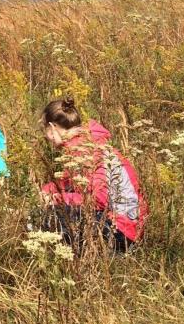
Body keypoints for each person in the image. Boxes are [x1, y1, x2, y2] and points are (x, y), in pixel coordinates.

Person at [39, 97, 147, 253]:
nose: (46, 137)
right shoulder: (84, 142)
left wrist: (56, 199)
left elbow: (98, 199)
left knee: (47, 218)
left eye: (45, 131)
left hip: (122, 231)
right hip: (126, 226)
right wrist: (49, 190)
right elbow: (69, 182)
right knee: (51, 214)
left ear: (52, 127)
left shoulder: (84, 150)